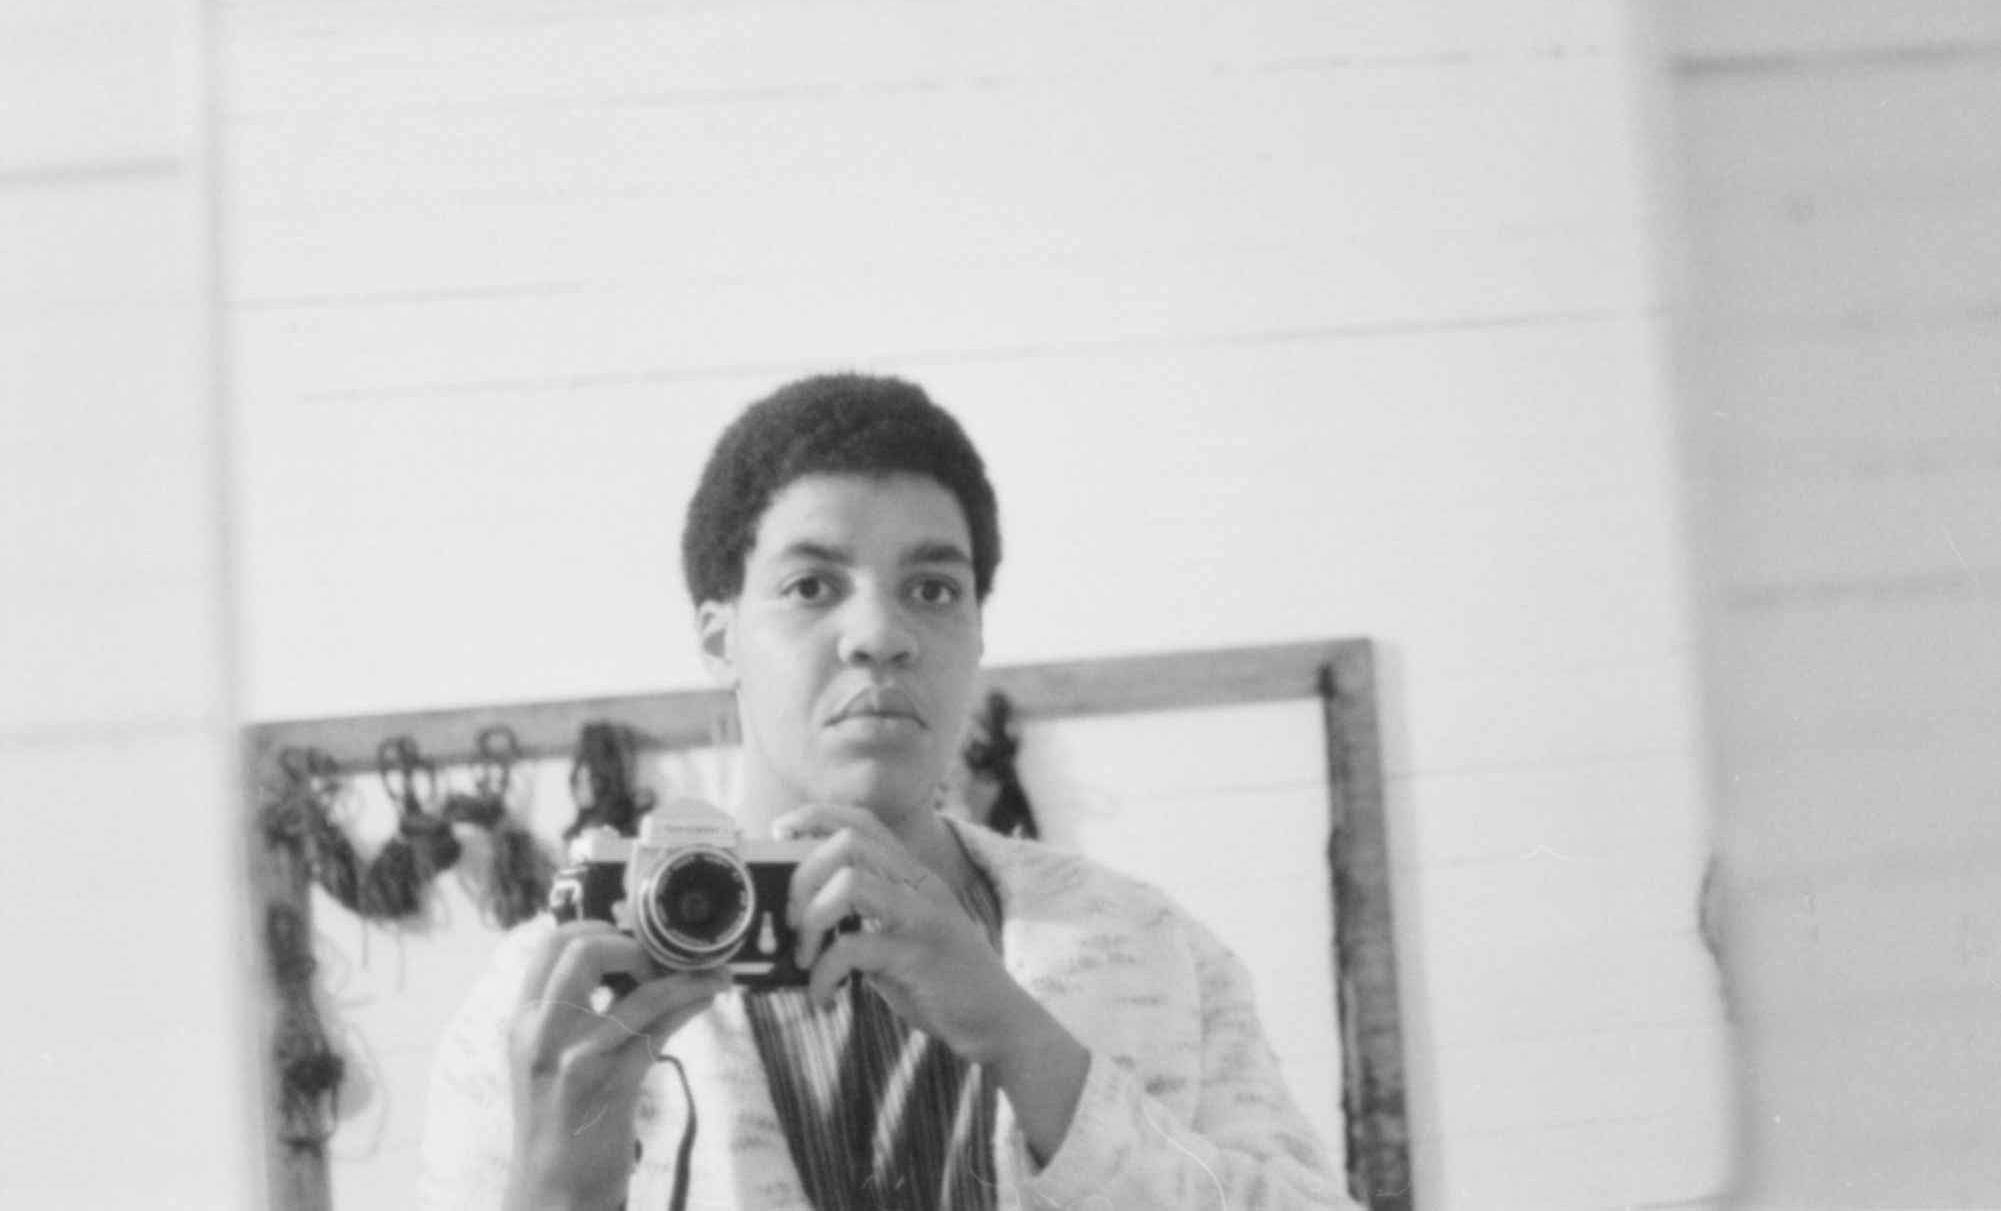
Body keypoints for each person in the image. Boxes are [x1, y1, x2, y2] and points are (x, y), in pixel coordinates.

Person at [418, 372, 1358, 1210]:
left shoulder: (1151, 950)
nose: (880, 634)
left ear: (978, 633)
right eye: (810, 586)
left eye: (934, 589)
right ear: (718, 636)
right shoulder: (547, 999)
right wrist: (555, 1193)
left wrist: (1024, 1044)